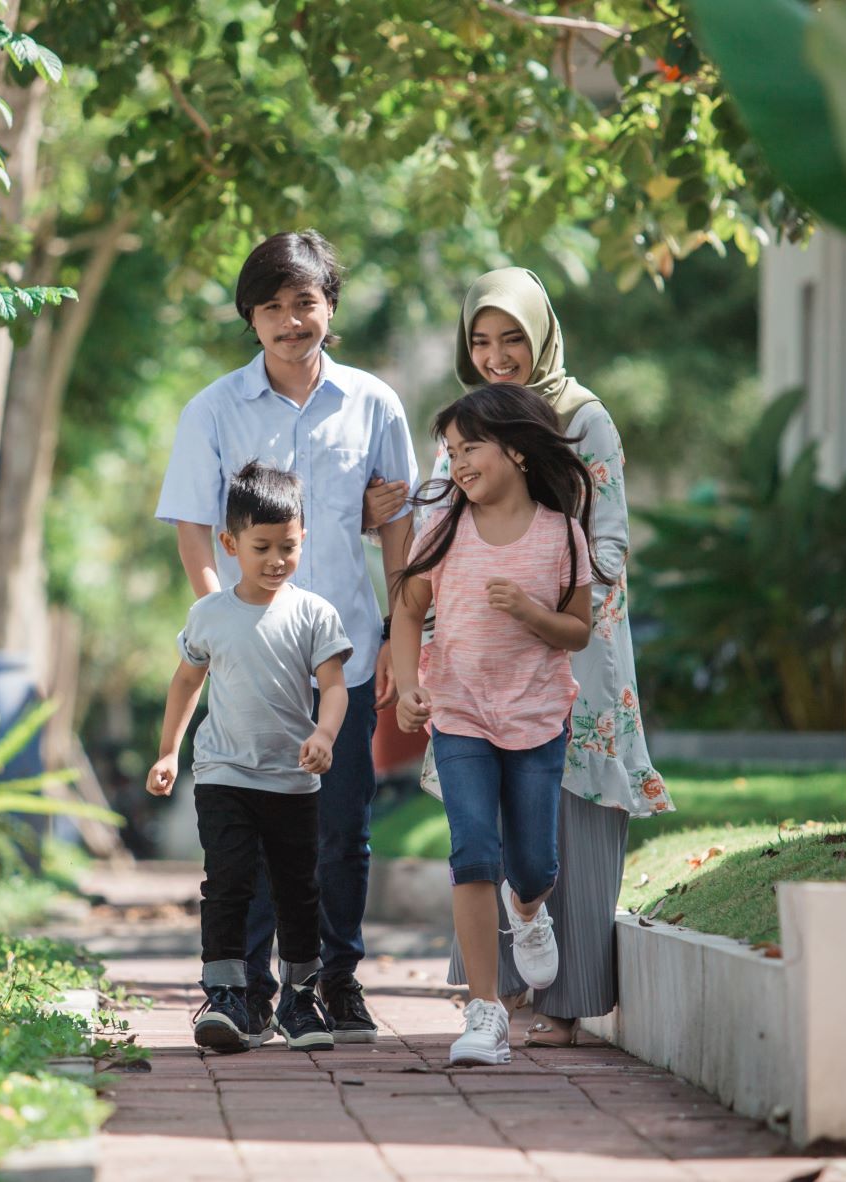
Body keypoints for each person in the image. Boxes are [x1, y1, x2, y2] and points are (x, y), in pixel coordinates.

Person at [155, 230, 419, 1044]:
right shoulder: (213, 409)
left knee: (340, 831)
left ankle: (334, 982)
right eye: (270, 307)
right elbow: (195, 527)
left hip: (340, 656)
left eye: (303, 303)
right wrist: (224, 625)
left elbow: (400, 527)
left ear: (329, 308)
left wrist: (404, 643)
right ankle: (244, 994)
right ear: (250, 318)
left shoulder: (374, 404)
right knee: (253, 837)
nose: (289, 321)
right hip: (248, 670)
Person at [445, 267, 674, 1046]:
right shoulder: (470, 419)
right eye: (480, 340)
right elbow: (449, 512)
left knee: (566, 814)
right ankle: (499, 993)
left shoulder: (583, 416)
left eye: (512, 338)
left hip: (577, 639)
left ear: (541, 334)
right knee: (487, 811)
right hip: (486, 646)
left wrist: (559, 598)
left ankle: (567, 1004)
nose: (497, 356)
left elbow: (608, 534)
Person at [389, 384, 608, 1067]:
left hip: (537, 719)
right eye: (449, 451)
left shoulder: (559, 534)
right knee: (473, 852)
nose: (455, 462)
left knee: (534, 864)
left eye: (469, 447)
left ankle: (528, 911)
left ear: (515, 448)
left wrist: (529, 613)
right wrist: (406, 685)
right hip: (459, 717)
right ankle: (484, 1012)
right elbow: (405, 608)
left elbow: (575, 631)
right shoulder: (445, 529)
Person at [148, 462, 352, 1053]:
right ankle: (227, 996)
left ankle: (300, 998)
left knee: (297, 891)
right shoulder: (209, 615)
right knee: (229, 883)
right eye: (261, 547)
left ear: (303, 539)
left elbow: (334, 686)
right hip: (224, 775)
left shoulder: (314, 613)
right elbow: (185, 684)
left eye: (287, 546)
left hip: (292, 782)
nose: (276, 559)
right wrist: (168, 753)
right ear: (230, 544)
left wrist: (326, 735)